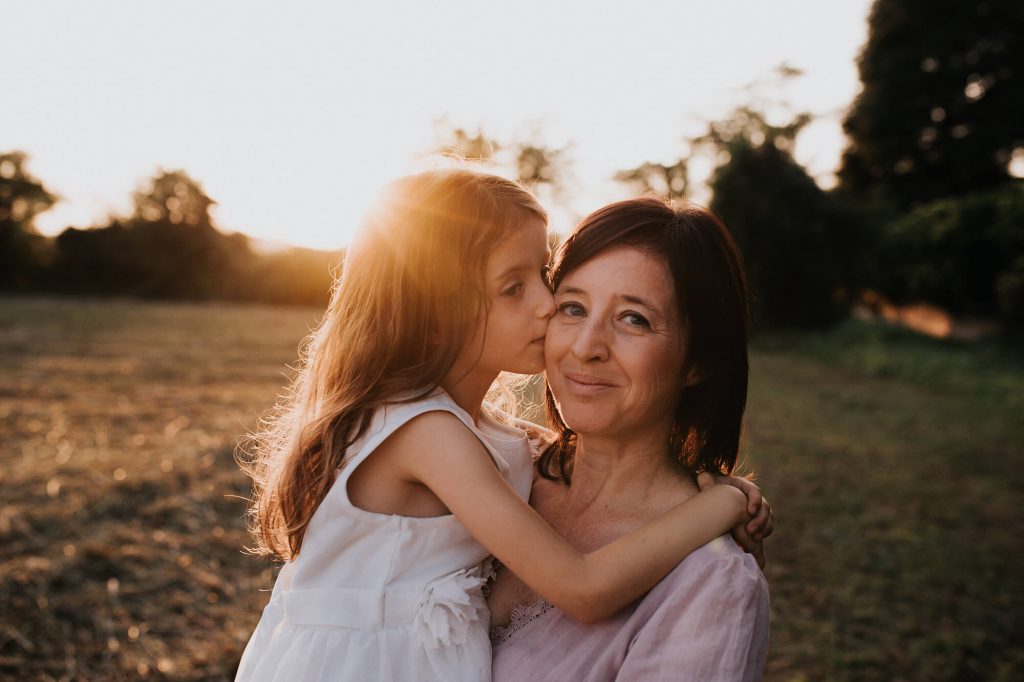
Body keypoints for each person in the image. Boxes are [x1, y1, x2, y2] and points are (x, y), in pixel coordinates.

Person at [234, 170, 770, 682]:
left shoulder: (491, 440)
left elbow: (528, 448)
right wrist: (720, 506)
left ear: (699, 359)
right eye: (518, 289)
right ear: (437, 313)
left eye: (635, 318)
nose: (547, 306)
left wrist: (706, 496)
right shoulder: (432, 437)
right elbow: (582, 588)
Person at [489, 197, 771, 681]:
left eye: (634, 319)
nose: (586, 347)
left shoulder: (710, 583)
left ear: (698, 360)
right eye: (573, 308)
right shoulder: (489, 465)